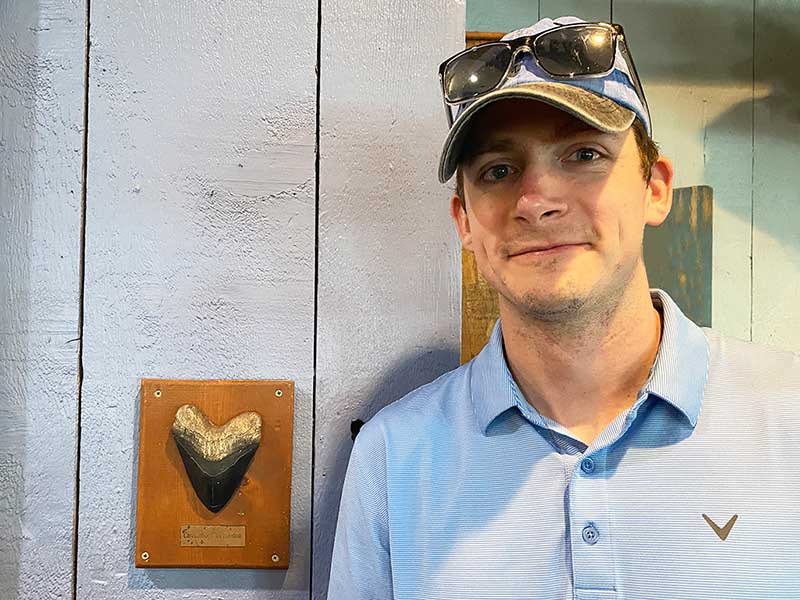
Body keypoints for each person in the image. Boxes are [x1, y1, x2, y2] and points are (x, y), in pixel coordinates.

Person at [328, 15, 800, 600]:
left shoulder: (790, 415)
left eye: (582, 154)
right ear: (465, 224)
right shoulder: (392, 458)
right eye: (499, 171)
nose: (536, 201)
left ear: (655, 187)